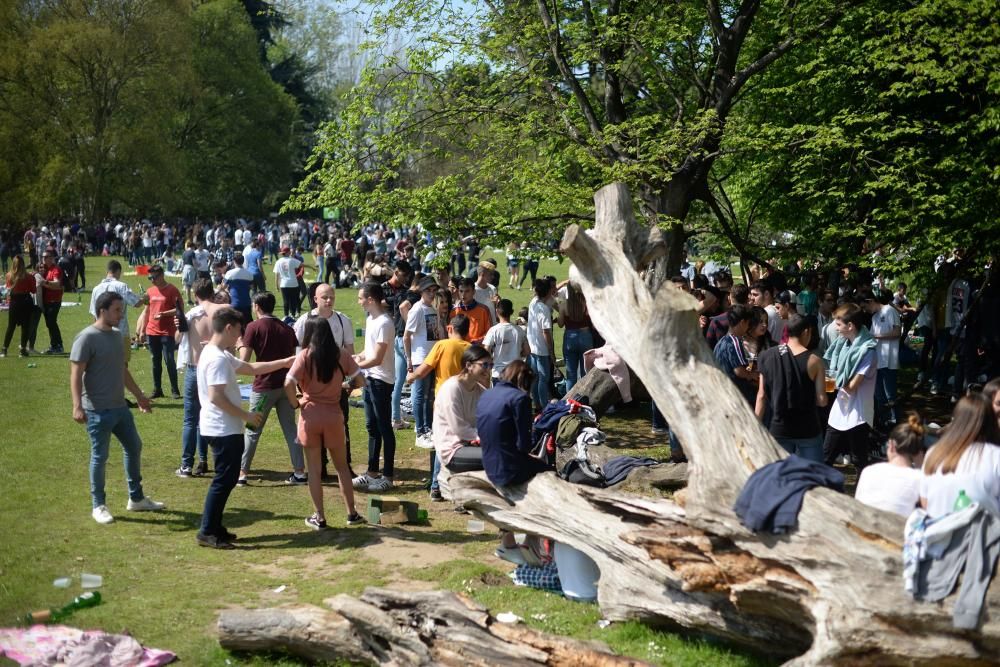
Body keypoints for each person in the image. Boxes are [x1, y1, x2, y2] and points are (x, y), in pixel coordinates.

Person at [195, 306, 295, 549]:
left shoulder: (218, 352)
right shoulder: (217, 358)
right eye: (239, 332)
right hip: (222, 429)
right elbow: (216, 396)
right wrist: (246, 415)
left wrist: (284, 362)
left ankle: (215, 527)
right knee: (223, 480)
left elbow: (250, 369)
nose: (240, 337)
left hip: (221, 427)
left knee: (226, 479)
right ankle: (208, 531)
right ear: (228, 328)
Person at [70, 292, 164, 525]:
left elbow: (122, 371)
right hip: (97, 410)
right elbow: (76, 374)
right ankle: (98, 505)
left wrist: (140, 396)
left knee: (134, 446)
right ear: (102, 310)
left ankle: (136, 498)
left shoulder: (115, 336)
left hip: (120, 408)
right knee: (100, 457)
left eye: (122, 310)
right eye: (117, 311)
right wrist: (77, 406)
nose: (121, 315)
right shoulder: (86, 338)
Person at [285, 315, 366, 529]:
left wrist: (296, 403)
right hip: (333, 414)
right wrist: (345, 386)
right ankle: (352, 513)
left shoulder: (304, 356)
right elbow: (361, 380)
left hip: (310, 414)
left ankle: (319, 517)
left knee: (314, 469)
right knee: (342, 468)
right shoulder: (341, 354)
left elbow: (288, 382)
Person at [238, 292, 303, 485]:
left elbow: (244, 362)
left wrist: (239, 344)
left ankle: (242, 473)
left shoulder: (253, 327)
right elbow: (295, 359)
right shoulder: (287, 328)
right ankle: (299, 471)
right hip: (285, 386)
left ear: (257, 306)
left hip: (263, 388)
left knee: (252, 430)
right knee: (291, 430)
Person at [294, 282, 357, 478]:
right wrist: (299, 385)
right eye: (325, 297)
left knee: (342, 422)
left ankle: (345, 465)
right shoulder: (304, 321)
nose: (329, 301)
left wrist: (349, 381)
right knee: (312, 424)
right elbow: (298, 354)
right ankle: (319, 467)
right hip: (311, 382)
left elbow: (350, 352)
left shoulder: (342, 320)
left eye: (332, 297)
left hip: (336, 381)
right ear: (315, 299)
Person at [407, 314, 472, 499]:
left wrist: (411, 377)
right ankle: (459, 488)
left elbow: (423, 369)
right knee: (462, 444)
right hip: (464, 403)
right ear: (467, 331)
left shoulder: (442, 345)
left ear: (450, 328)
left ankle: (436, 486)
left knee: (442, 443)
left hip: (443, 403)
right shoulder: (471, 349)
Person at [755, 315, 828, 461]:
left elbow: (761, 395)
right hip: (808, 429)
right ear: (807, 332)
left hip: (779, 427)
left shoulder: (766, 356)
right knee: (812, 476)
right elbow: (821, 400)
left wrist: (755, 424)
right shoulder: (815, 361)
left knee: (781, 476)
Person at [919, 393, 1000, 518]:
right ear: (991, 422)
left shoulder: (934, 452)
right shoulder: (995, 456)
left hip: (937, 532)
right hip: (980, 535)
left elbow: (925, 503)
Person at [477, 360, 550, 488]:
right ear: (525, 381)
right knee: (550, 472)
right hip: (509, 469)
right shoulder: (520, 399)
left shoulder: (487, 394)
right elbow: (524, 445)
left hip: (488, 464)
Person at [822, 303, 878, 470]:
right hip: (840, 408)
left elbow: (852, 386)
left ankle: (860, 493)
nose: (836, 328)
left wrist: (832, 382)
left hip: (858, 412)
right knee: (826, 455)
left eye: (838, 324)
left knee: (859, 459)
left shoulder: (867, 351)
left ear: (850, 326)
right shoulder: (843, 346)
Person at [352, 282, 396, 493]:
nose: (359, 302)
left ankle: (388, 475)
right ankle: (372, 472)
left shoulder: (385, 323)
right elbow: (369, 351)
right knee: (372, 426)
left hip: (381, 381)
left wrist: (353, 365)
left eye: (361, 298)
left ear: (370, 299)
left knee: (384, 427)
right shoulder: (371, 320)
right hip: (369, 379)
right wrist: (358, 356)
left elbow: (377, 358)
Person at [175, 279, 216, 478]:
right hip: (215, 369)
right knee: (206, 417)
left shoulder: (192, 314)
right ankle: (203, 460)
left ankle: (186, 464)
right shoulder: (222, 311)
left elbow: (177, 338)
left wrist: (179, 324)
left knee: (190, 419)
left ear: (196, 295)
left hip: (195, 367)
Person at [433, 346, 492, 480]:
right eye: (485, 365)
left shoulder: (479, 390)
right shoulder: (452, 388)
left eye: (490, 365)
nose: (488, 369)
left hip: (470, 444)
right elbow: (459, 429)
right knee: (500, 457)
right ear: (469, 365)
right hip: (452, 450)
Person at [855, 414, 926, 516]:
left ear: (891, 446)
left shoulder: (869, 471)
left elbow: (857, 504)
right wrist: (920, 464)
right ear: (918, 452)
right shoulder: (919, 478)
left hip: (861, 526)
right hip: (897, 529)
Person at [404, 276, 444, 448]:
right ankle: (420, 431)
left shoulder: (433, 309)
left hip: (433, 358)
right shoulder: (417, 310)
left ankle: (428, 429)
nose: (432, 294)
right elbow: (407, 336)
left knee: (429, 397)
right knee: (420, 396)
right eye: (429, 290)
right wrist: (409, 360)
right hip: (421, 359)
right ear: (422, 291)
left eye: (434, 291)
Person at [89, 260, 147, 367]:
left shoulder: (96, 289)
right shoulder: (121, 286)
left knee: (103, 365)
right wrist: (145, 298)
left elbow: (94, 315)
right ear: (118, 271)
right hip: (120, 333)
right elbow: (137, 303)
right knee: (122, 366)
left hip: (101, 333)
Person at [136, 265, 182, 399]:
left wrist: (164, 314)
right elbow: (146, 312)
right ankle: (157, 389)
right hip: (152, 331)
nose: (152, 280)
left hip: (167, 332)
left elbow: (179, 310)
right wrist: (143, 330)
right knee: (155, 361)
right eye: (150, 277)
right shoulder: (150, 291)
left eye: (154, 277)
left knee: (169, 360)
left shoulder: (172, 290)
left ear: (162, 275)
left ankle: (175, 390)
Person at [863, 291, 901, 429]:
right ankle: (884, 421)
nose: (865, 310)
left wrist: (877, 336)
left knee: (890, 394)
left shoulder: (890, 311)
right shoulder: (874, 317)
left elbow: (897, 332)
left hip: (889, 359)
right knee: (879, 394)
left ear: (870, 301)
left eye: (866, 307)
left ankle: (895, 421)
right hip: (878, 361)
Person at [714, 305, 759, 407]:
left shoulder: (721, 342)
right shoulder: (734, 342)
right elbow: (739, 371)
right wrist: (752, 375)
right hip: (737, 395)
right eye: (748, 324)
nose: (748, 327)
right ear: (742, 322)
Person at [526, 278, 555, 410]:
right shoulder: (544, 309)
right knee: (544, 378)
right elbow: (546, 332)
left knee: (536, 378)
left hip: (532, 346)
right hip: (541, 349)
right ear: (548, 291)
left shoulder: (533, 303)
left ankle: (536, 403)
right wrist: (551, 351)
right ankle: (544, 406)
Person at [558, 282, 593, 389]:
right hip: (585, 336)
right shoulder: (587, 303)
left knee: (571, 374)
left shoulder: (564, 304)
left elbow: (560, 324)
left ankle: (569, 401)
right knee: (585, 372)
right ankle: (585, 398)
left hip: (570, 337)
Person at [483, 298, 528, 380]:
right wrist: (518, 353)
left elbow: (486, 351)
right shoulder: (519, 330)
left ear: (496, 311)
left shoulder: (493, 330)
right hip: (515, 372)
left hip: (498, 373)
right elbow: (527, 351)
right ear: (512, 312)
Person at [2, 255, 36, 358]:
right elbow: (34, 290)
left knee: (11, 326)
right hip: (26, 301)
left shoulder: (9, 276)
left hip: (15, 302)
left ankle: (4, 349)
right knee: (25, 327)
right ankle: (22, 350)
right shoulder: (28, 276)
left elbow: (7, 290)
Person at [37, 250, 65, 354]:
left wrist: (45, 282)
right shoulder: (44, 269)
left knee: (52, 322)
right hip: (46, 301)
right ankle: (54, 345)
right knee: (49, 324)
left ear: (51, 258)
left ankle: (59, 345)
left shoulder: (55, 269)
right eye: (43, 257)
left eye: (46, 257)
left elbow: (57, 284)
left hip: (54, 301)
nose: (43, 259)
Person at [451, 277, 493, 344]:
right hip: (459, 349)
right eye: (461, 291)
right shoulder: (453, 311)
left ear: (474, 292)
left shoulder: (484, 310)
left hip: (477, 351)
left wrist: (476, 342)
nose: (463, 295)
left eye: (467, 291)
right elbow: (450, 333)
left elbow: (490, 333)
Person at [224, 254, 254, 325]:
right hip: (247, 303)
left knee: (235, 324)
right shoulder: (249, 274)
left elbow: (223, 287)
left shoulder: (229, 273)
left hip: (235, 303)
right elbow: (252, 287)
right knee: (248, 324)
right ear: (243, 261)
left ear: (234, 261)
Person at [273, 246, 302, 318]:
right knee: (293, 300)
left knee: (286, 301)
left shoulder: (278, 262)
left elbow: (277, 275)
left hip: (284, 284)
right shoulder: (292, 260)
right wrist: (312, 267)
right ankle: (293, 314)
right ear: (288, 252)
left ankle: (286, 315)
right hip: (293, 283)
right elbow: (301, 265)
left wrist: (277, 285)